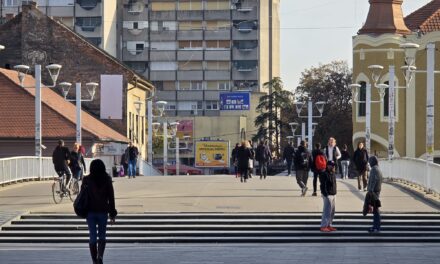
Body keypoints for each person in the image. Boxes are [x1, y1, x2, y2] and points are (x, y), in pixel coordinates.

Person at [82, 159, 117, 264]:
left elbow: (83, 195)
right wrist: (112, 214)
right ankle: (100, 256)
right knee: (102, 235)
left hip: (90, 212)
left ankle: (94, 260)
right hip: (103, 211)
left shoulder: (86, 179)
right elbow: (111, 197)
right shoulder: (107, 179)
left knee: (92, 236)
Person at [319, 159, 337, 232]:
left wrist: (335, 193)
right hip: (328, 195)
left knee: (332, 211)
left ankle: (329, 225)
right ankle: (323, 226)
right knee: (327, 211)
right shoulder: (324, 174)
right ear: (328, 165)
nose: (332, 167)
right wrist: (325, 194)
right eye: (331, 165)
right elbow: (322, 185)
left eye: (333, 166)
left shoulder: (333, 173)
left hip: (333, 194)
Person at [367, 156, 383, 233]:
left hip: (373, 192)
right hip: (377, 191)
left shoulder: (374, 170)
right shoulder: (378, 169)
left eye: (370, 161)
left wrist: (370, 192)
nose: (369, 163)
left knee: (375, 210)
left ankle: (376, 227)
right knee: (376, 210)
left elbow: (373, 181)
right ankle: (376, 226)